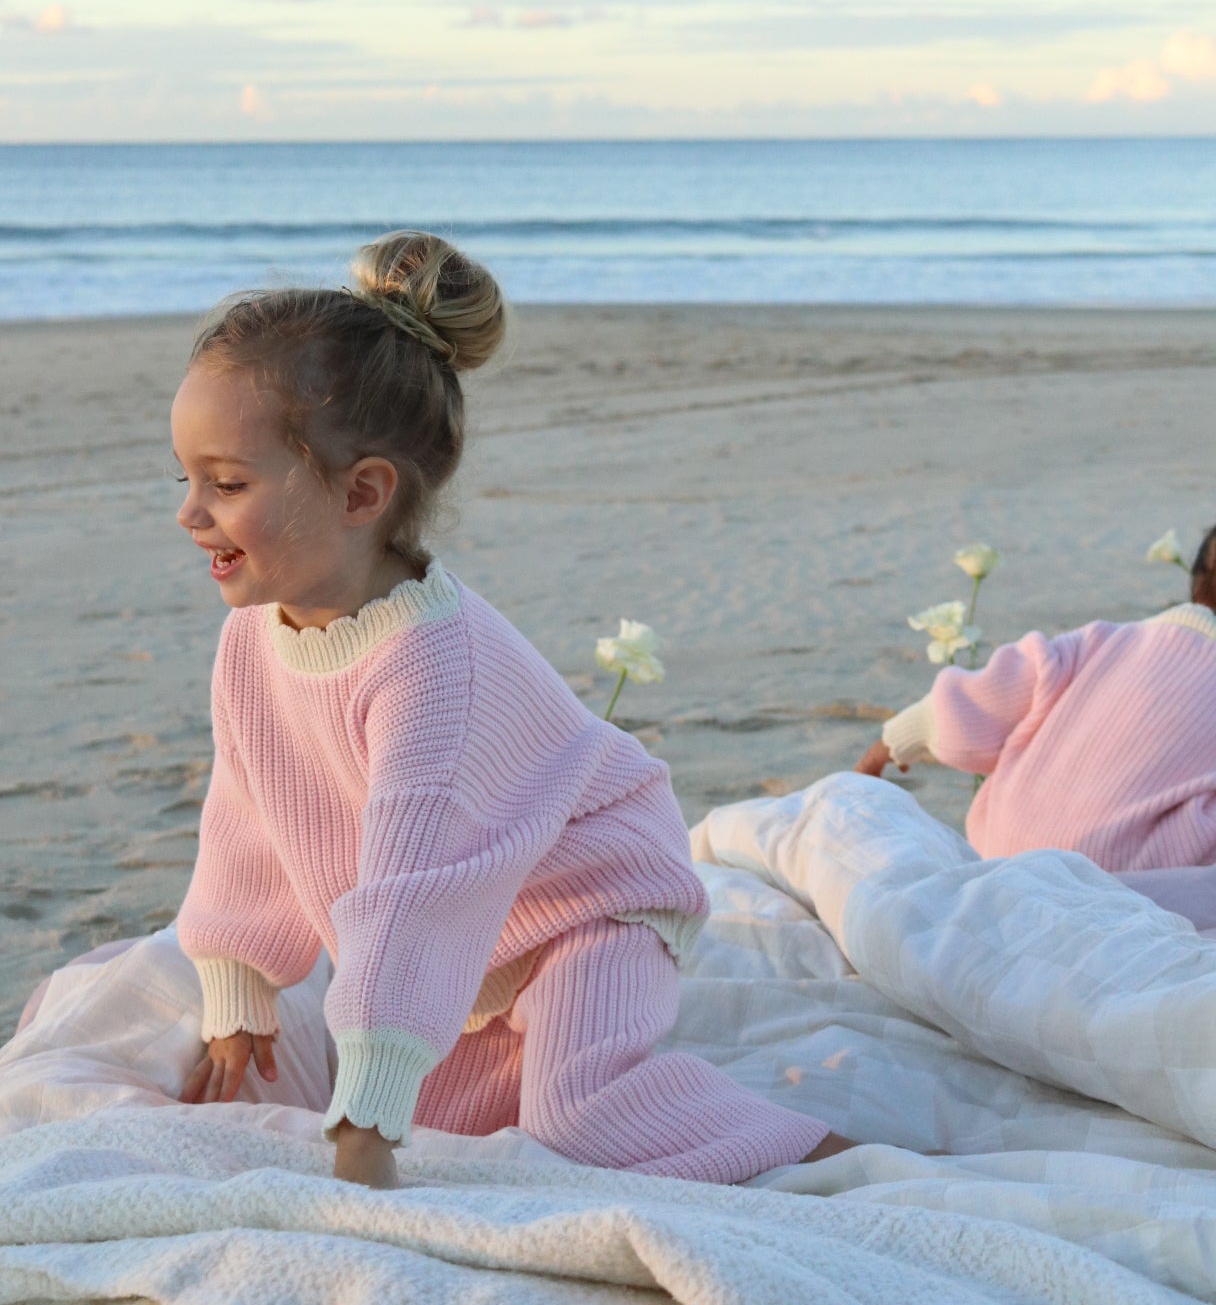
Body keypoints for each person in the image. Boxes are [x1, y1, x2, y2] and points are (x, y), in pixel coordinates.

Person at [173, 231, 849, 1187]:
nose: (190, 512)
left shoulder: (429, 667)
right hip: (487, 931)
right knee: (462, 1131)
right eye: (185, 479)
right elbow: (249, 806)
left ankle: (828, 1158)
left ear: (363, 492)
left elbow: (414, 894)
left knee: (581, 1117)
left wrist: (365, 1122)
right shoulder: (254, 636)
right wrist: (237, 980)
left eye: (227, 485)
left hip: (588, 899)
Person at [855, 526, 1216, 915]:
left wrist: (890, 745)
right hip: (1118, 882)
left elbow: (989, 695)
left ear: (1194, 582)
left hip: (1003, 854)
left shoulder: (1106, 640)